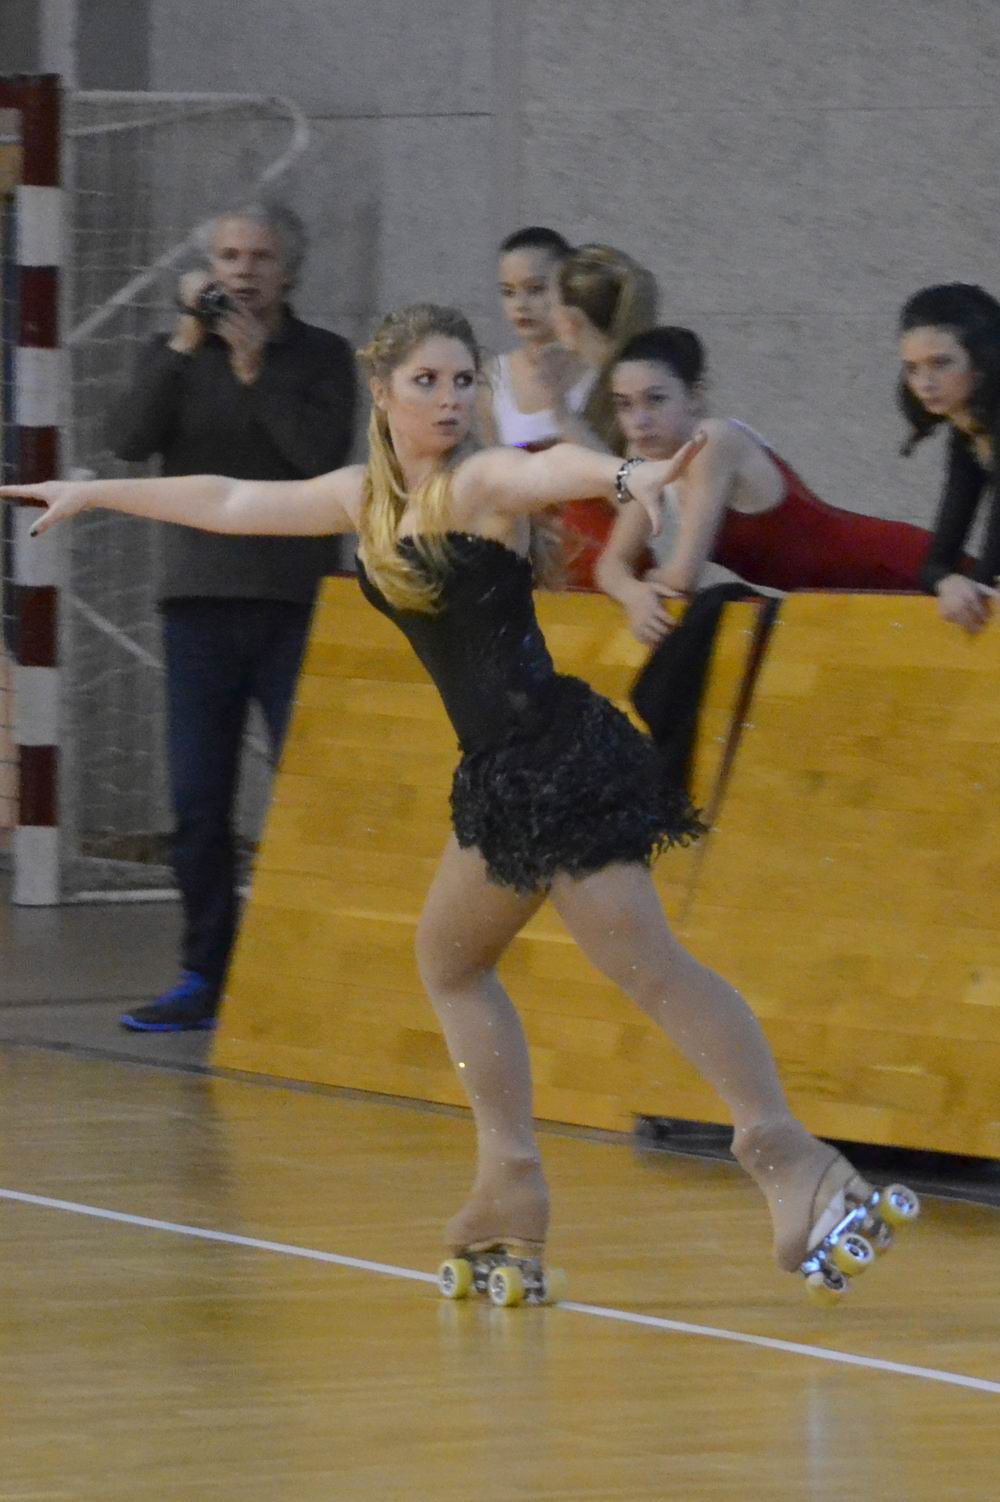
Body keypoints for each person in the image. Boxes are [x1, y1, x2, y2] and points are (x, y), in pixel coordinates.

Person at [2, 303, 908, 1295]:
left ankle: (788, 1157)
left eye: (463, 381)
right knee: (451, 960)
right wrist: (94, 494)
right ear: (382, 391)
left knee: (646, 968)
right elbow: (228, 499)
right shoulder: (363, 496)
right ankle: (510, 1181)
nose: (447, 400)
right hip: (503, 772)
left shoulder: (478, 482)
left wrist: (629, 477)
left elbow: (547, 473)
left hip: (555, 759)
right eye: (426, 382)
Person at [109, 202, 357, 1032]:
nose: (242, 271)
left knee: (309, 796)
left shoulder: (321, 356)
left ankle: (317, 970)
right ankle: (202, 974)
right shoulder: (175, 351)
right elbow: (127, 437)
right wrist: (187, 344)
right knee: (198, 803)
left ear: (289, 270)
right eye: (228, 256)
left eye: (259, 257)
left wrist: (256, 371)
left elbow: (317, 459)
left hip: (295, 605)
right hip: (199, 607)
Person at [597, 327, 932, 647]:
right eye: (625, 404)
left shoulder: (712, 441)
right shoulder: (644, 461)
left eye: (655, 400)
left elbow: (682, 578)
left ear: (695, 395)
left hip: (899, 567)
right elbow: (610, 565)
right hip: (846, 599)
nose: (639, 421)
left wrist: (642, 582)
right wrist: (634, 594)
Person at [543, 244, 660, 587]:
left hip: (604, 578)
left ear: (570, 321)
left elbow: (636, 499)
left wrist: (565, 419)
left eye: (550, 305)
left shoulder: (637, 395)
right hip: (578, 571)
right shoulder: (590, 386)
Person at [898, 282, 1000, 634]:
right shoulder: (967, 432)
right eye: (912, 369)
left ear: (983, 361)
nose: (924, 383)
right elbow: (935, 562)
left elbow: (991, 572)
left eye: (940, 363)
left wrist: (966, 585)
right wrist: (948, 581)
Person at [477, 226, 594, 449]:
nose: (520, 305)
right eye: (508, 292)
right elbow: (491, 461)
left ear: (569, 288)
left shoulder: (598, 372)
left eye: (535, 289)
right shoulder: (492, 377)